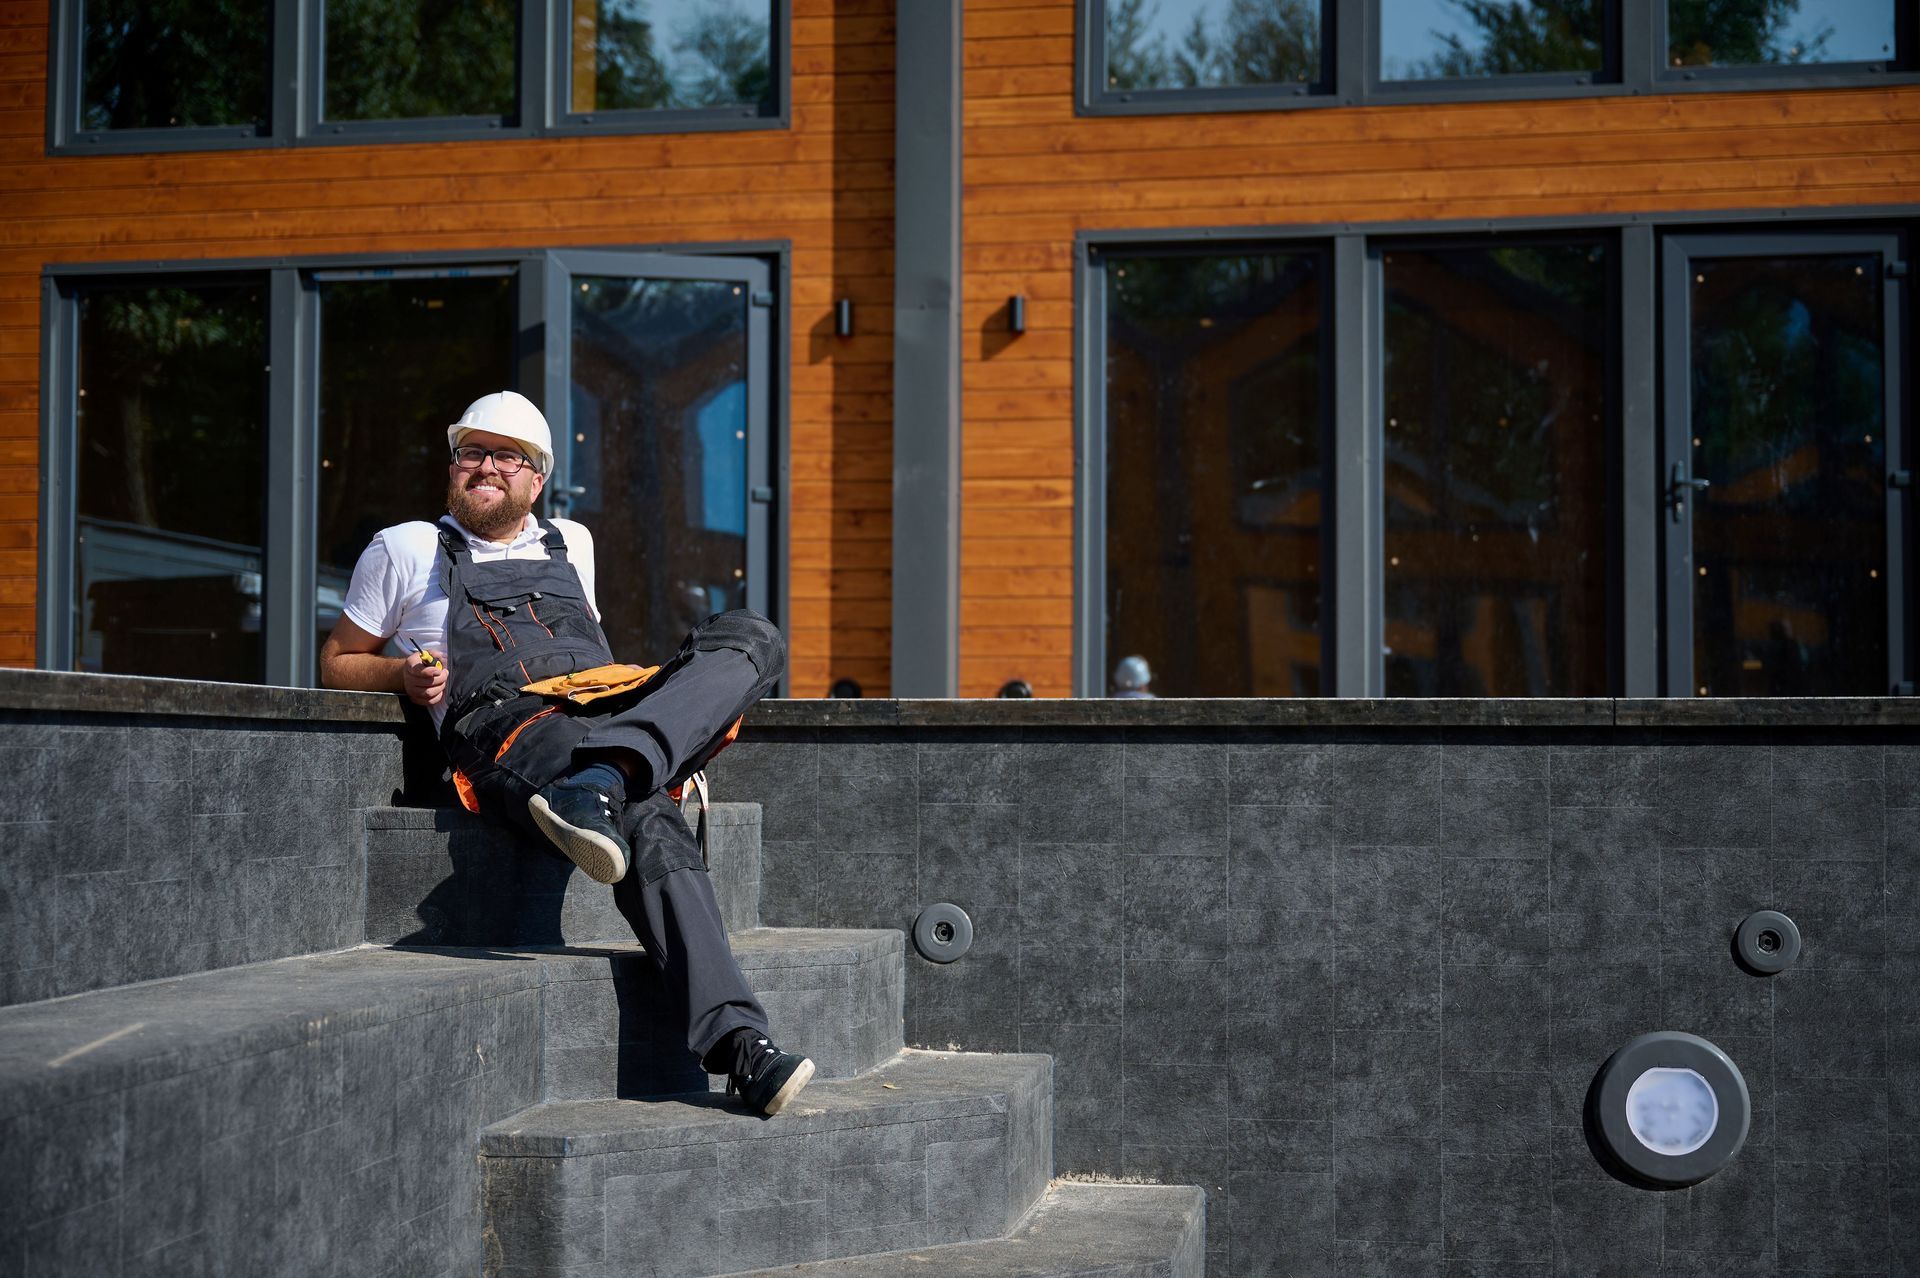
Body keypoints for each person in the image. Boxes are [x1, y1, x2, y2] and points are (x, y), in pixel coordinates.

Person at [319, 391, 812, 1117]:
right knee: (649, 817)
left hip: (603, 711)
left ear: (536, 477)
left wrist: (628, 719)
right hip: (508, 725)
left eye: (505, 456)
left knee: (752, 635)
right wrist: (403, 673)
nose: (484, 468)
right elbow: (336, 660)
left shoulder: (572, 543)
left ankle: (605, 778)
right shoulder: (407, 547)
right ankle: (742, 1046)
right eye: (470, 453)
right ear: (453, 466)